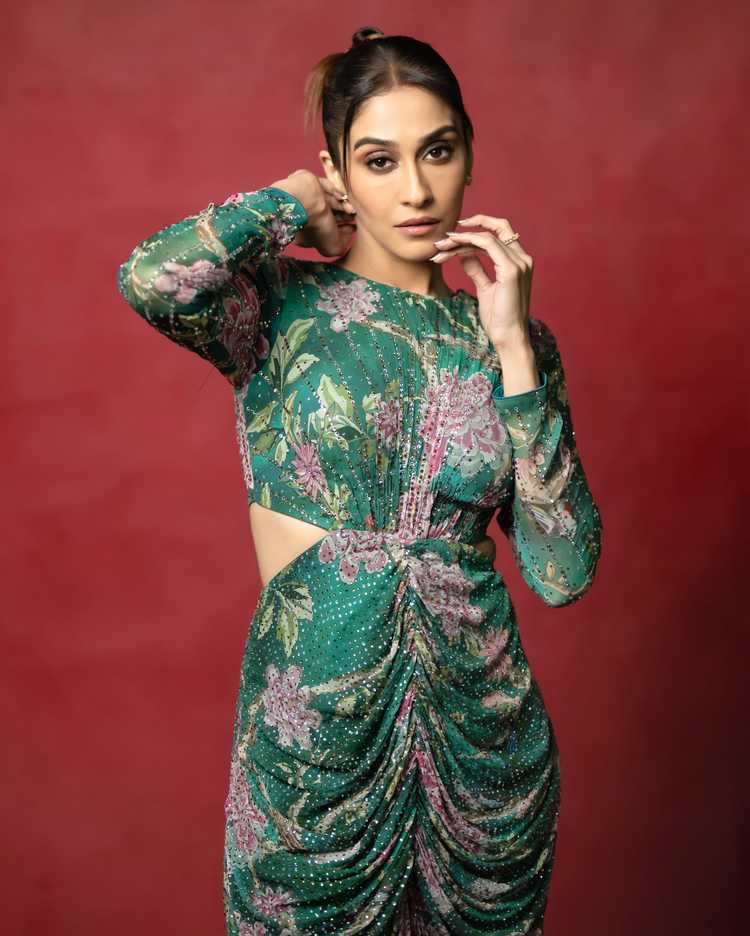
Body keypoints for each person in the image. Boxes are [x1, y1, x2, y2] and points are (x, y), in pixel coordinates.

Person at [116, 25, 603, 936]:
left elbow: (562, 570)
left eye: (437, 152)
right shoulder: (276, 305)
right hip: (318, 754)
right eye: (379, 161)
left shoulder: (514, 342)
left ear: (469, 154)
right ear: (340, 170)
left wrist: (512, 347)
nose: (415, 189)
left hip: (483, 757)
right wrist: (294, 201)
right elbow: (150, 278)